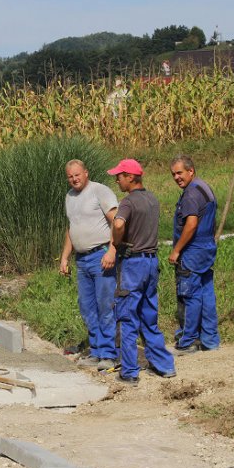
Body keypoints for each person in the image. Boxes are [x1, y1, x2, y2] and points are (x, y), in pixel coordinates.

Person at [103, 158, 176, 385]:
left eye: (120, 175)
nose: (117, 179)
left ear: (131, 177)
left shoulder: (128, 202)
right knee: (149, 316)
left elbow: (117, 224)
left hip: (133, 264)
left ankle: (129, 372)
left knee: (127, 318)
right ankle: (164, 366)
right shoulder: (152, 199)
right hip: (151, 262)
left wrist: (116, 242)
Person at [59, 159, 119, 371]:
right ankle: (96, 351)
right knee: (87, 307)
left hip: (100, 255)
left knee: (106, 305)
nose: (74, 179)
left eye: (77, 174)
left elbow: (117, 222)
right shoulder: (70, 197)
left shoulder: (99, 191)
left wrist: (112, 250)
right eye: (70, 176)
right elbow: (71, 228)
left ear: (86, 173)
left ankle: (109, 354)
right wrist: (65, 257)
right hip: (82, 259)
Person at [168, 155, 220, 353]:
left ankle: (189, 340)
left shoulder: (190, 194)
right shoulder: (204, 187)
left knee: (190, 295)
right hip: (206, 248)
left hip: (192, 250)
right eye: (173, 174)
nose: (176, 178)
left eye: (180, 173)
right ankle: (210, 340)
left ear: (191, 171)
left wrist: (177, 250)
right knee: (207, 294)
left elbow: (191, 225)